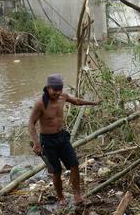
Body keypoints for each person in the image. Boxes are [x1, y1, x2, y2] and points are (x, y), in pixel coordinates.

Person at [28, 73, 99, 206]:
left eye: (60, 89)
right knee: (56, 171)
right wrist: (36, 143)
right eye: (55, 90)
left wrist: (93, 102)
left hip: (62, 137)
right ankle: (60, 197)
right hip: (48, 141)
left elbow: (77, 101)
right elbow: (31, 123)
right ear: (48, 88)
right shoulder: (40, 104)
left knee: (74, 164)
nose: (58, 92)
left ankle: (77, 195)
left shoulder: (63, 96)